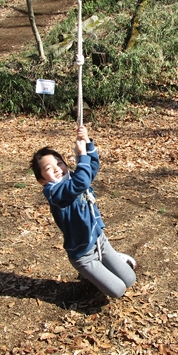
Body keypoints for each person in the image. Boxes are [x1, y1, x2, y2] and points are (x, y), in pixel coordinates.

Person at [31, 126, 137, 299]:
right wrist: (82, 157)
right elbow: (79, 183)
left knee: (130, 279)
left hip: (99, 240)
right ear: (42, 180)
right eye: (49, 168)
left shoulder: (74, 178)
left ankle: (111, 261)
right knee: (118, 290)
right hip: (83, 255)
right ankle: (94, 271)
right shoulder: (54, 193)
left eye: (59, 163)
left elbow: (92, 166)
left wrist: (87, 143)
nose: (57, 168)